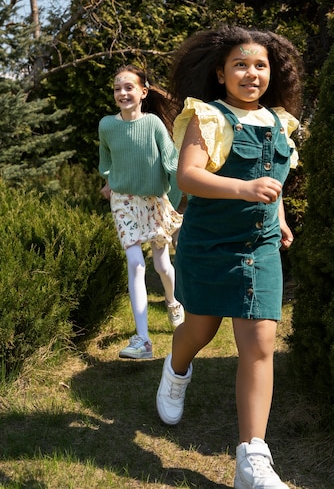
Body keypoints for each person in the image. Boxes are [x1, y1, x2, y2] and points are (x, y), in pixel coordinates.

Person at [156, 26, 303, 489]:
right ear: (221, 74)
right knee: (200, 329)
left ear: (272, 72)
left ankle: (251, 460)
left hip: (259, 248)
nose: (251, 73)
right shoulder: (208, 116)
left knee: (260, 345)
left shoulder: (281, 122)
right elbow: (190, 176)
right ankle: (176, 369)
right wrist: (243, 189)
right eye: (240, 64)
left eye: (260, 65)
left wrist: (277, 216)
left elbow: (271, 178)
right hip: (209, 244)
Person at [99, 63, 185, 360]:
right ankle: (143, 341)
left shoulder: (153, 125)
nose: (122, 93)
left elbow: (171, 162)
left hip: (154, 201)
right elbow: (106, 156)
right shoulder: (107, 125)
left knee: (162, 265)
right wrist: (109, 180)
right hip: (123, 201)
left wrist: (173, 199)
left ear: (143, 92)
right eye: (117, 88)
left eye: (128, 87)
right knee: (136, 263)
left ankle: (174, 303)